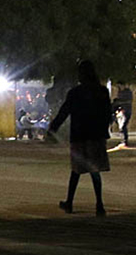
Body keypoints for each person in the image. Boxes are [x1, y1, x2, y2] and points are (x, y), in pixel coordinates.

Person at [48, 60, 112, 216]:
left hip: (80, 135)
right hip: (96, 135)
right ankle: (99, 204)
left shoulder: (75, 93)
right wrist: (104, 131)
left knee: (76, 169)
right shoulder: (102, 91)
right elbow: (107, 113)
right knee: (94, 171)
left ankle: (70, 202)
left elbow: (64, 112)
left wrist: (53, 128)